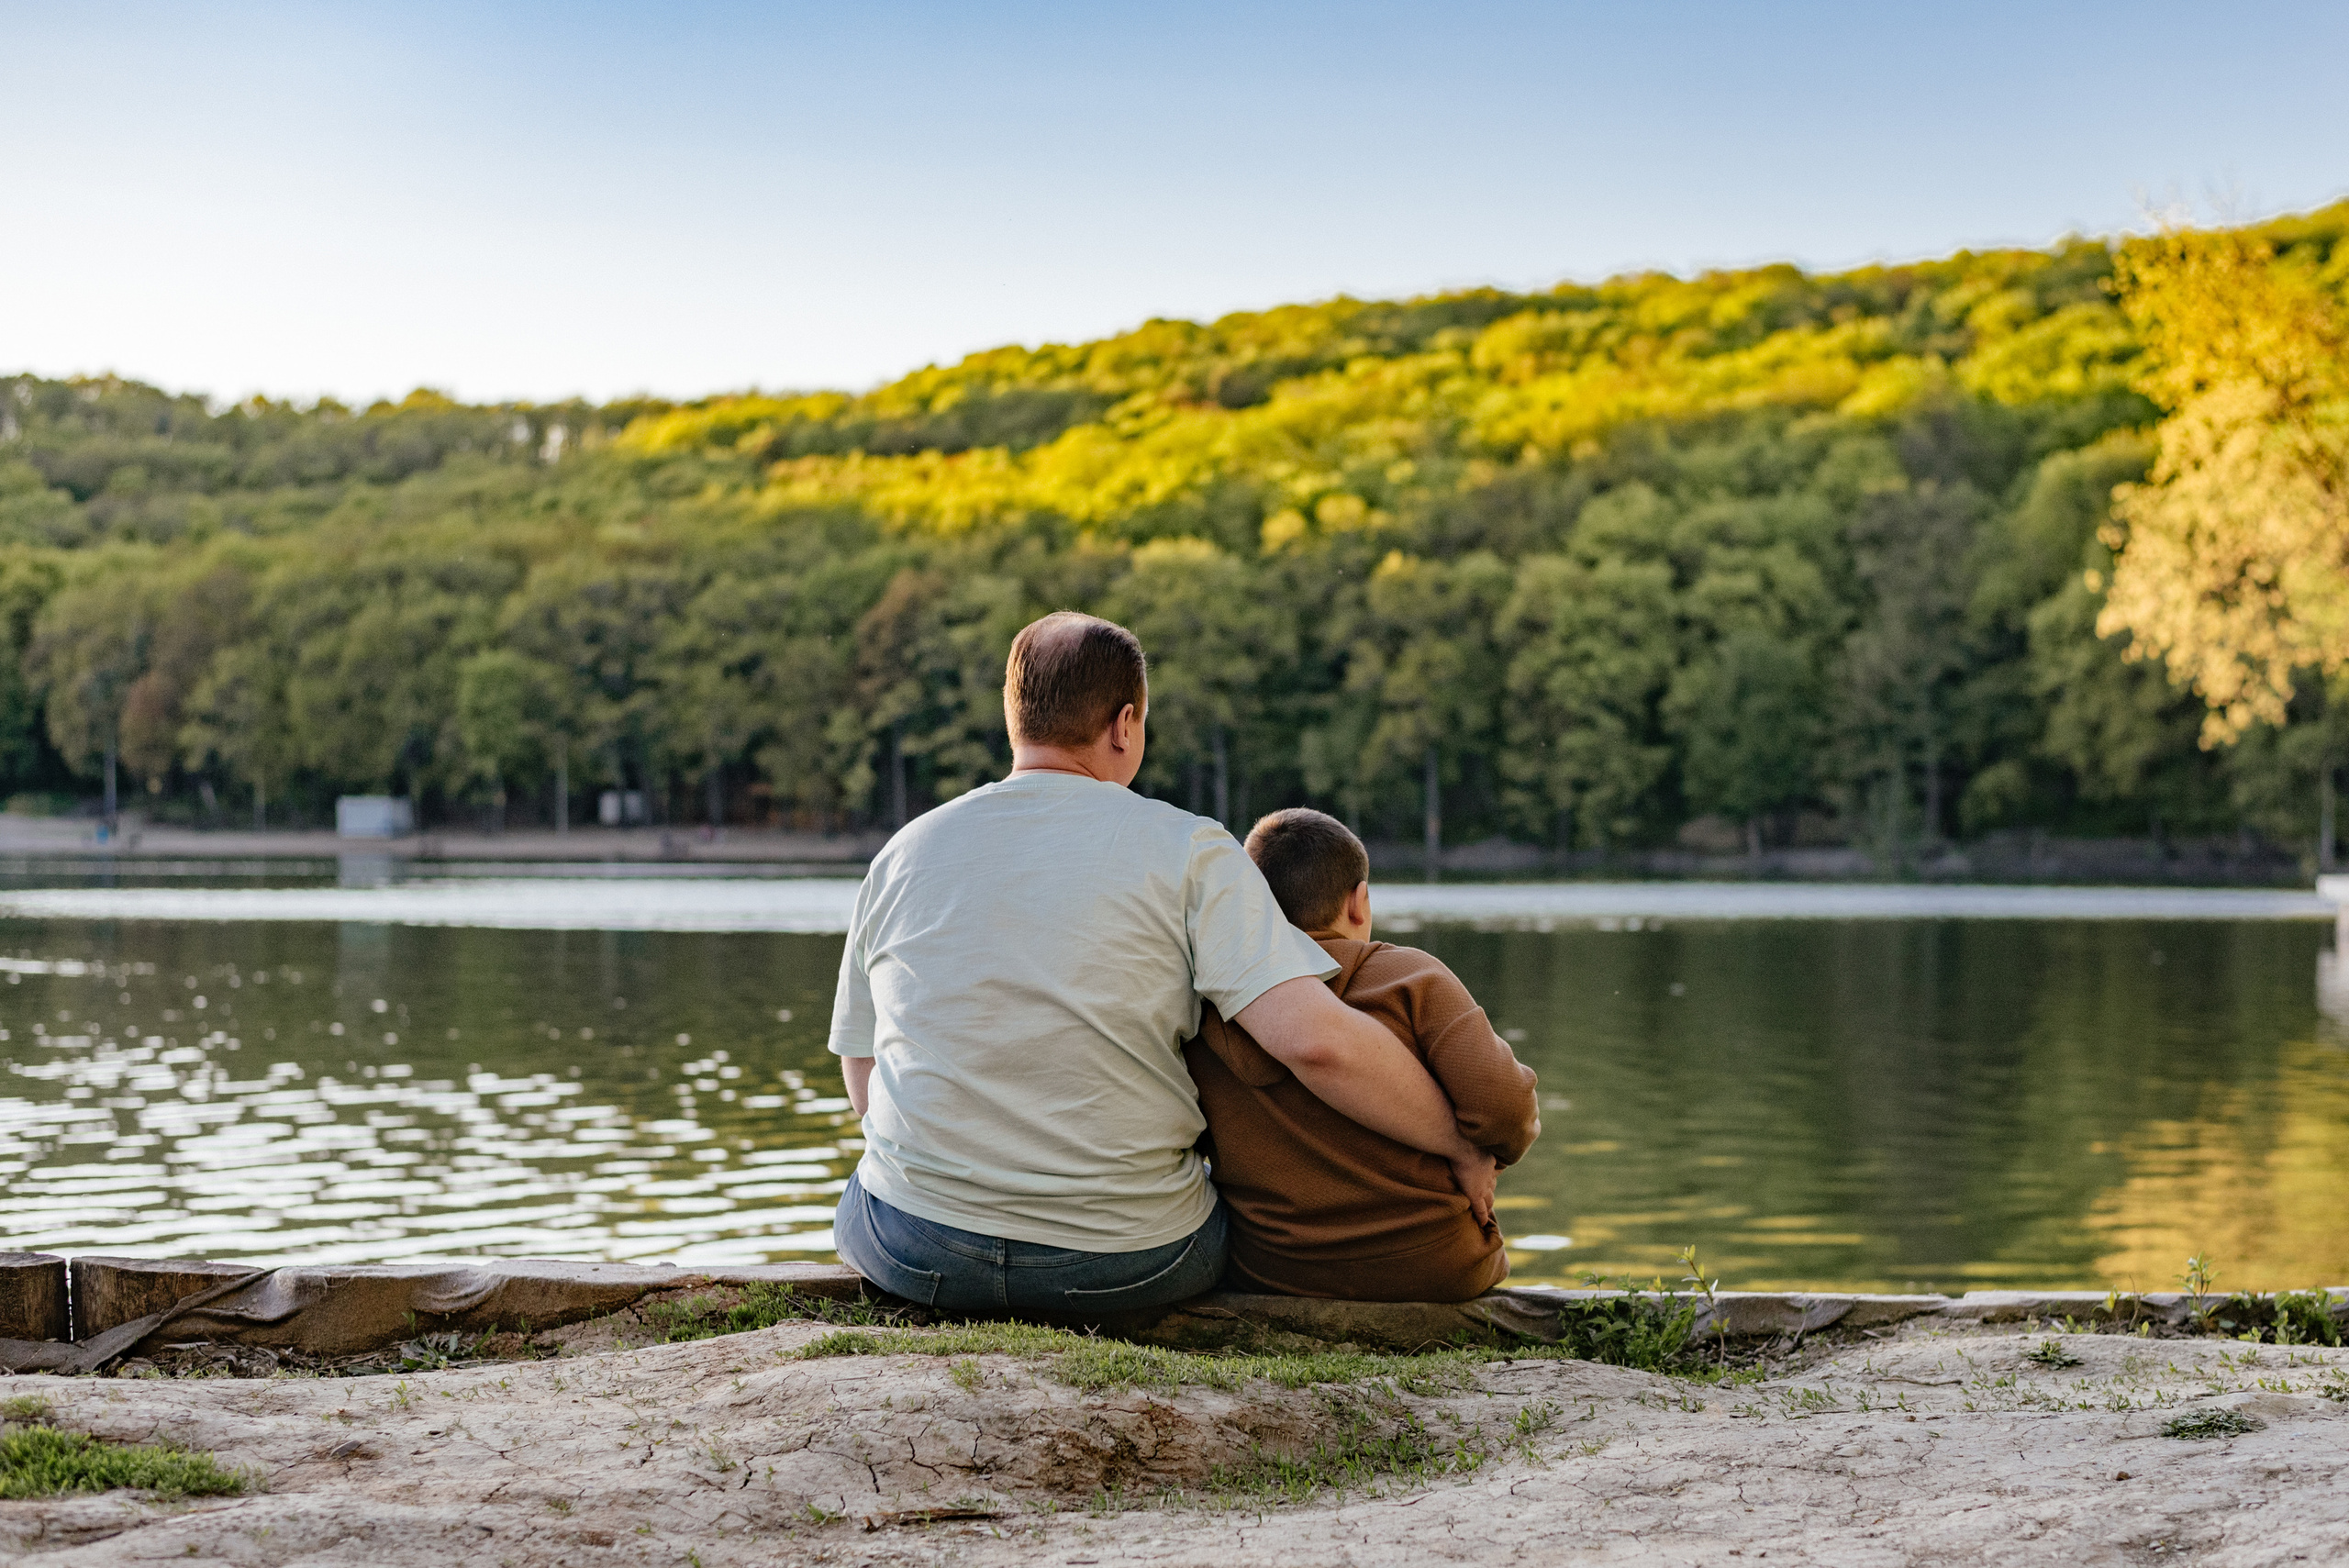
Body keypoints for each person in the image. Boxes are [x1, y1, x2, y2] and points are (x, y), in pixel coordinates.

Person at [827, 611, 1494, 1315]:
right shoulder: (1192, 850)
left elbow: (863, 1067)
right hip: (1126, 1261)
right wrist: (1459, 1140)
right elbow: (1317, 1041)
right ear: (1124, 724)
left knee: (868, 1184)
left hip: (915, 1248)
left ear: (1014, 720)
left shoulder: (904, 851)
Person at [1186, 808, 1540, 1301]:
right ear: (1359, 901)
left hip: (1273, 1270)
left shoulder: (1212, 1006)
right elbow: (1505, 1107)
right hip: (1438, 1266)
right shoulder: (1413, 979)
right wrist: (1487, 1153)